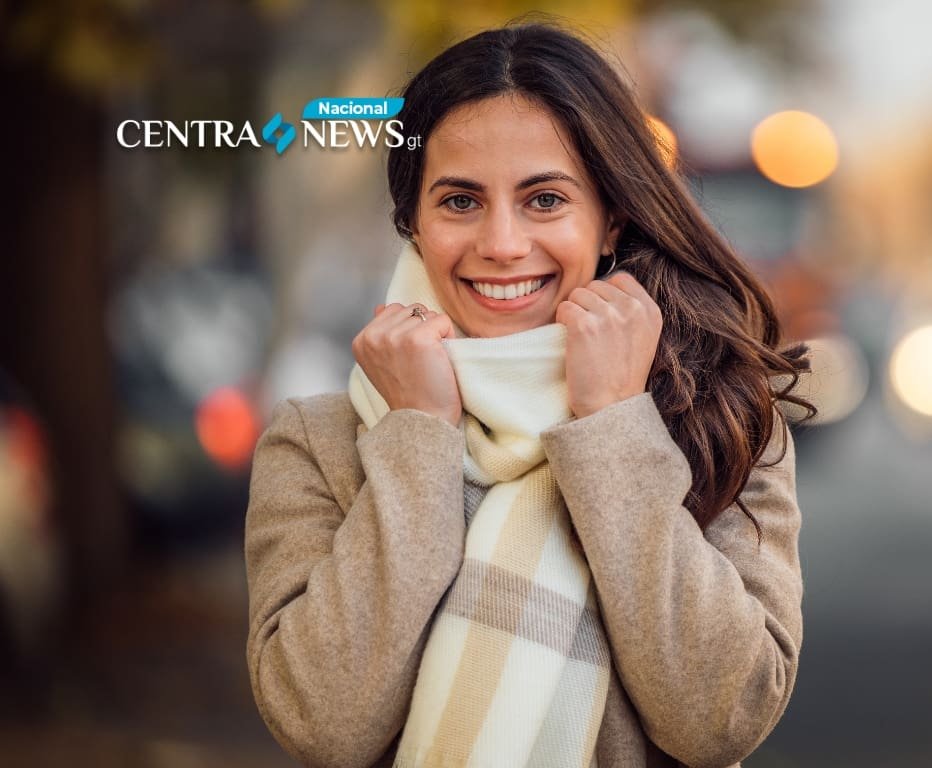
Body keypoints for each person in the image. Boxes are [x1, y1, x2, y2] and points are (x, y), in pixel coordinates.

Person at [244, 21, 814, 768]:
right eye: (460, 202)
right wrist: (417, 435)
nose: (503, 243)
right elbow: (324, 724)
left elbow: (720, 718)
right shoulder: (318, 444)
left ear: (610, 217)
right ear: (412, 223)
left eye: (544, 200)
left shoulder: (723, 422)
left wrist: (615, 424)